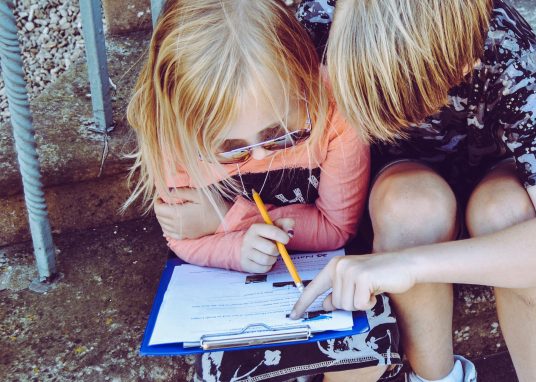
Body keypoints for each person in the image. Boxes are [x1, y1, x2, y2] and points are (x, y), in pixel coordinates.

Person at [290, 1, 536, 381]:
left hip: (497, 175)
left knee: (506, 211)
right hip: (401, 186)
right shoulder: (321, 22)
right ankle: (437, 377)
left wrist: (411, 264)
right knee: (410, 206)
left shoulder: (503, 44)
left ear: (462, 64)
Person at [124, 0, 401, 380]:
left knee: (366, 355)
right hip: (237, 289)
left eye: (280, 135)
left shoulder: (336, 108)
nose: (257, 155)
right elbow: (183, 236)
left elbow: (337, 229)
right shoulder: (172, 134)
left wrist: (226, 216)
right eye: (229, 149)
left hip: (327, 272)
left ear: (304, 79)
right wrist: (237, 249)